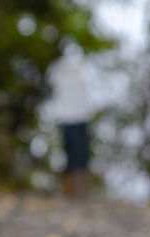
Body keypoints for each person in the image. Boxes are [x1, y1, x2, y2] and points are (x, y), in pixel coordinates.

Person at [47, 46, 93, 197]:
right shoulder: (58, 70)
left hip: (78, 118)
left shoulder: (81, 69)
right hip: (68, 119)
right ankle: (71, 189)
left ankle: (80, 188)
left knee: (80, 154)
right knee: (72, 154)